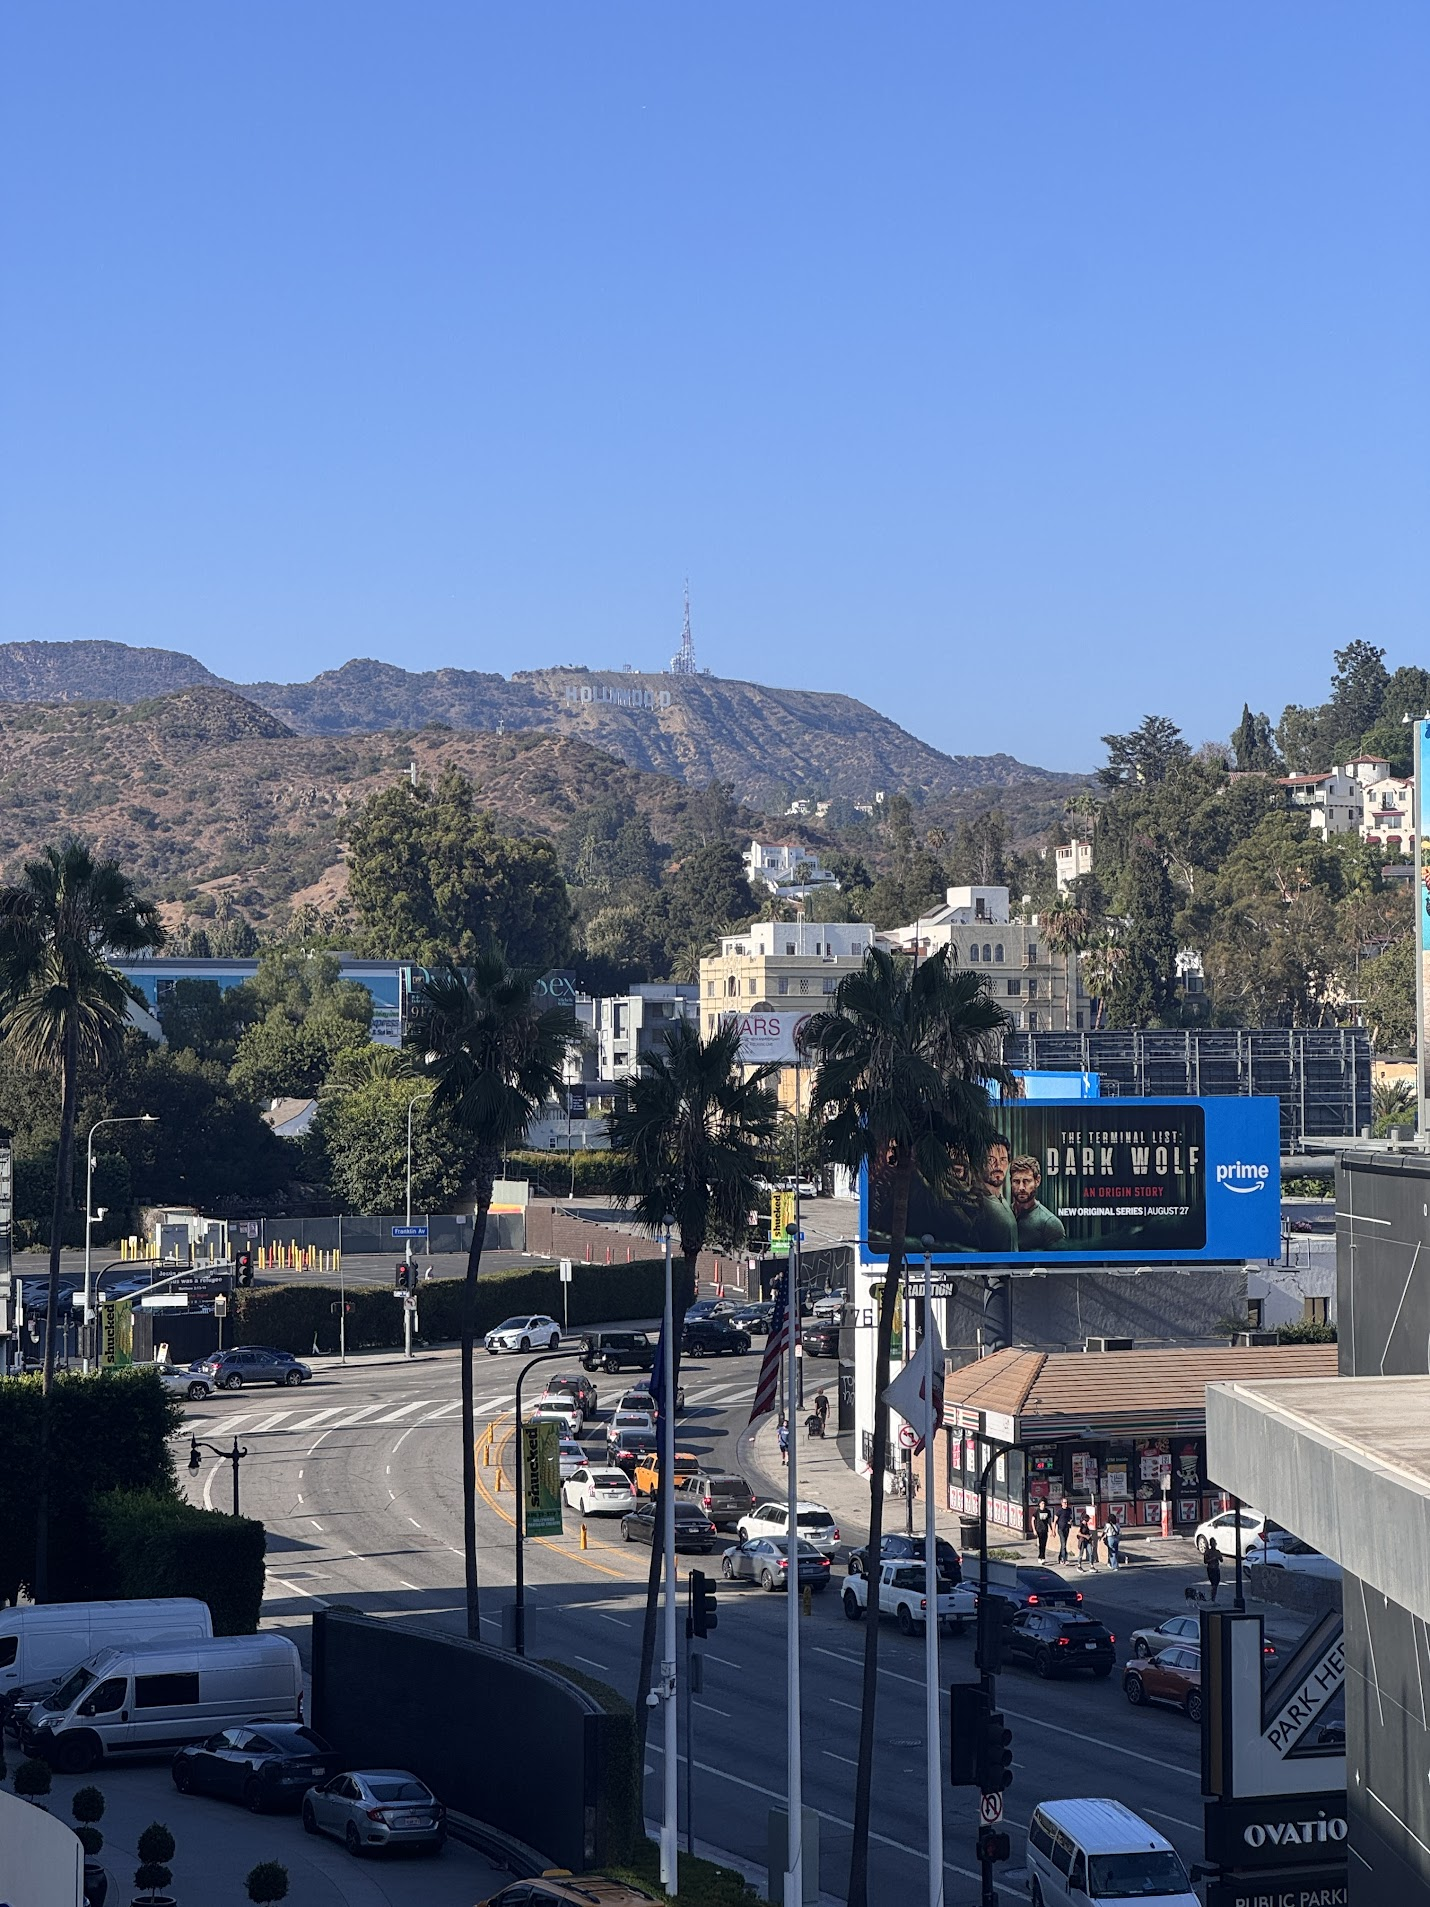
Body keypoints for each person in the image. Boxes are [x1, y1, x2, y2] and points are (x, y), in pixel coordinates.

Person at [1009, 1156, 1068, 1251]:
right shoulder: (1004, 1214)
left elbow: (1059, 1260)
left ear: (1037, 1181)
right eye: (1016, 1181)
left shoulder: (1050, 1223)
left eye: (1026, 1181)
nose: (1021, 1187)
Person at [1056, 1496, 1073, 1566]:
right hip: (1060, 1529)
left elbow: (1070, 1518)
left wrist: (1070, 1521)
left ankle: (1060, 1558)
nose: (1066, 1504)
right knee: (1063, 1544)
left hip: (1067, 1528)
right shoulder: (1059, 1511)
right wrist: (1053, 1530)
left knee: (1064, 1544)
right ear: (1062, 1503)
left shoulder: (1069, 1510)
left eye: (1067, 1502)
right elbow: (1055, 1520)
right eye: (1064, 1502)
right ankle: (1064, 1559)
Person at [1205, 1536, 1222, 1602]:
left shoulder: (1217, 1551)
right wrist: (1213, 1559)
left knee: (1216, 1584)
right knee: (1214, 1584)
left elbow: (1221, 1560)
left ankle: (1213, 1597)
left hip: (1216, 1569)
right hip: (1211, 1569)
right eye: (1213, 1543)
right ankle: (1213, 1598)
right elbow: (1205, 1561)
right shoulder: (1208, 1552)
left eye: (1215, 1543)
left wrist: (1219, 1557)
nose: (1214, 1544)